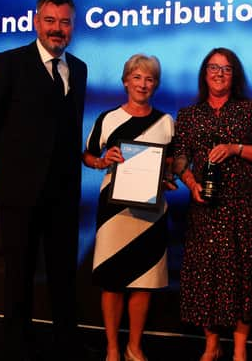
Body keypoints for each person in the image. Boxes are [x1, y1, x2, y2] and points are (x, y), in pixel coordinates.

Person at [0, 0, 87, 361]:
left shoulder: (79, 69)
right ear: (35, 22)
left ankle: (65, 342)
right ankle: (16, 344)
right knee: (19, 273)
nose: (58, 29)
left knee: (62, 273)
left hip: (64, 193)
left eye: (65, 21)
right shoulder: (8, 63)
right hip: (19, 190)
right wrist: (10, 166)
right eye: (50, 21)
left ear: (73, 25)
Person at [172, 47, 252, 361]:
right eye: (214, 67)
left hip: (245, 206)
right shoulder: (189, 115)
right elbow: (179, 159)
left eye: (227, 68)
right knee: (207, 274)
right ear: (204, 74)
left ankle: (240, 348)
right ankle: (211, 344)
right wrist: (190, 183)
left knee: (245, 272)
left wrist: (235, 147)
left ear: (235, 75)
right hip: (206, 207)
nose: (219, 73)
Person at [83, 54, 175, 361]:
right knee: (112, 280)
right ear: (126, 81)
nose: (143, 84)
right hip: (114, 211)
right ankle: (112, 347)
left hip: (151, 211)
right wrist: (101, 160)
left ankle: (134, 347)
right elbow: (88, 156)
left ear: (156, 85)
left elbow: (172, 163)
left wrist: (169, 177)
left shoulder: (166, 122)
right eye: (137, 77)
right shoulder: (107, 119)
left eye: (149, 79)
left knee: (143, 282)